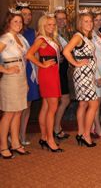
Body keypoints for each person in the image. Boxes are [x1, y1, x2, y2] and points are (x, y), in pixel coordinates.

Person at [26, 13, 63, 152]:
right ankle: (50, 139)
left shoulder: (51, 38)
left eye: (54, 24)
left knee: (47, 106)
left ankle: (44, 136)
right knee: (52, 108)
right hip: (47, 74)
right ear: (43, 25)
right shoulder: (41, 39)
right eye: (49, 25)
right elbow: (29, 54)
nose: (52, 27)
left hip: (53, 73)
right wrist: (42, 64)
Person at [63, 10, 99, 147]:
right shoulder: (78, 36)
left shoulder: (86, 37)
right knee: (94, 104)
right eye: (86, 21)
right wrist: (76, 63)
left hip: (88, 74)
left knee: (83, 104)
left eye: (90, 21)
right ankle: (86, 135)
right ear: (80, 23)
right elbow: (66, 51)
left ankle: (80, 133)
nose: (89, 23)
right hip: (82, 75)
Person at [0, 8, 30, 159]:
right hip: (10, 78)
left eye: (20, 21)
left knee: (18, 111)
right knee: (8, 113)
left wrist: (25, 81)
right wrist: (5, 70)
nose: (18, 23)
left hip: (20, 75)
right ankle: (3, 145)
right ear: (9, 22)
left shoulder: (18, 37)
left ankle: (16, 143)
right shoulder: (6, 37)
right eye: (15, 21)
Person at [17, 2, 40, 146]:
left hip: (31, 70)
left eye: (29, 14)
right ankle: (13, 134)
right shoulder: (13, 34)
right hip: (20, 70)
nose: (27, 17)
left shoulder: (33, 32)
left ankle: (22, 134)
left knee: (28, 105)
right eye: (24, 14)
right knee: (18, 106)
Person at [53, 7, 71, 141]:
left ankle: (56, 127)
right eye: (58, 18)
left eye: (63, 18)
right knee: (63, 100)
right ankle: (55, 128)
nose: (61, 21)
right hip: (56, 71)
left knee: (62, 100)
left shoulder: (66, 33)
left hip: (64, 70)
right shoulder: (53, 34)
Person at [91, 9, 101, 139]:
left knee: (97, 102)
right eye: (96, 19)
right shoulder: (90, 35)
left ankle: (91, 127)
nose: (99, 22)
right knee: (96, 102)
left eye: (100, 19)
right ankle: (97, 127)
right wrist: (96, 75)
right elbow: (92, 56)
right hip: (95, 73)